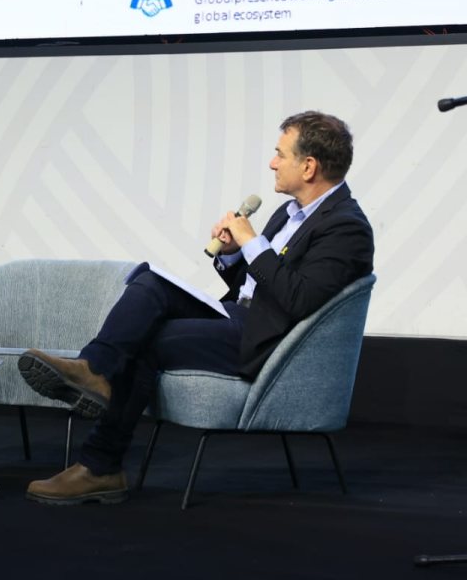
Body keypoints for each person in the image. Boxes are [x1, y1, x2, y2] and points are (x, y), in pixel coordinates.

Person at [18, 111, 374, 504]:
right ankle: (93, 369)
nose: (272, 163)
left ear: (308, 167)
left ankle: (100, 466)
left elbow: (298, 299)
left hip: (271, 344)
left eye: (280, 154)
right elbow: (257, 286)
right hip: (241, 318)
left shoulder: (346, 227)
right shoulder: (288, 214)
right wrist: (235, 254)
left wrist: (253, 243)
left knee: (149, 338)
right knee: (149, 281)